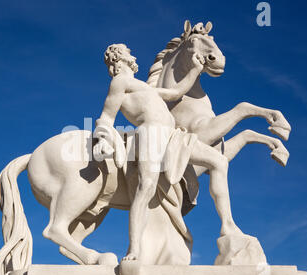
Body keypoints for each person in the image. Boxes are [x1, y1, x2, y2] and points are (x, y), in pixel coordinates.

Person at [94, 44, 242, 262]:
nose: (133, 54)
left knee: (219, 161)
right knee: (146, 188)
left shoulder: (143, 87)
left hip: (173, 135)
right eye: (128, 51)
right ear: (119, 58)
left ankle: (228, 226)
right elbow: (106, 116)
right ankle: (134, 249)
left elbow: (175, 92)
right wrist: (104, 138)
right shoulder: (120, 82)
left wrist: (194, 69)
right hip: (150, 134)